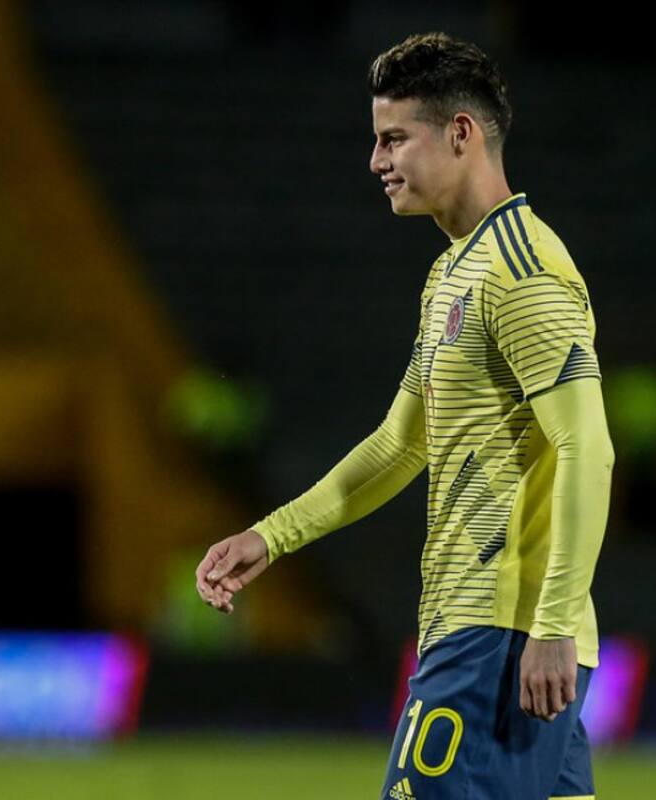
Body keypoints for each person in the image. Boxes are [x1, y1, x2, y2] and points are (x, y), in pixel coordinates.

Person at [195, 32, 613, 800]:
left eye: (394, 139)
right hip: (492, 633)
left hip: (499, 636)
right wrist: (272, 535)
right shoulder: (455, 270)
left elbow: (588, 446)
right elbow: (399, 444)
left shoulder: (521, 271)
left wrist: (552, 624)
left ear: (461, 133)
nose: (375, 161)